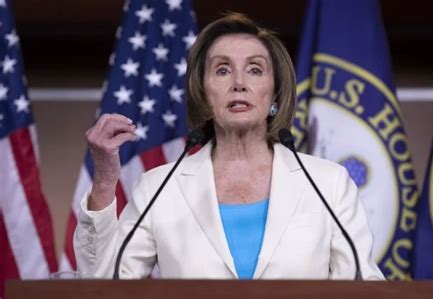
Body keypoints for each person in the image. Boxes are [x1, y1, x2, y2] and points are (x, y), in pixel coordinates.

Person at [74, 12, 384, 280]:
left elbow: (362, 284)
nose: (238, 82)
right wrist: (103, 180)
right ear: (204, 93)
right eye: (222, 70)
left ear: (275, 94)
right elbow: (103, 285)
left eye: (255, 69)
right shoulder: (158, 188)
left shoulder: (328, 184)